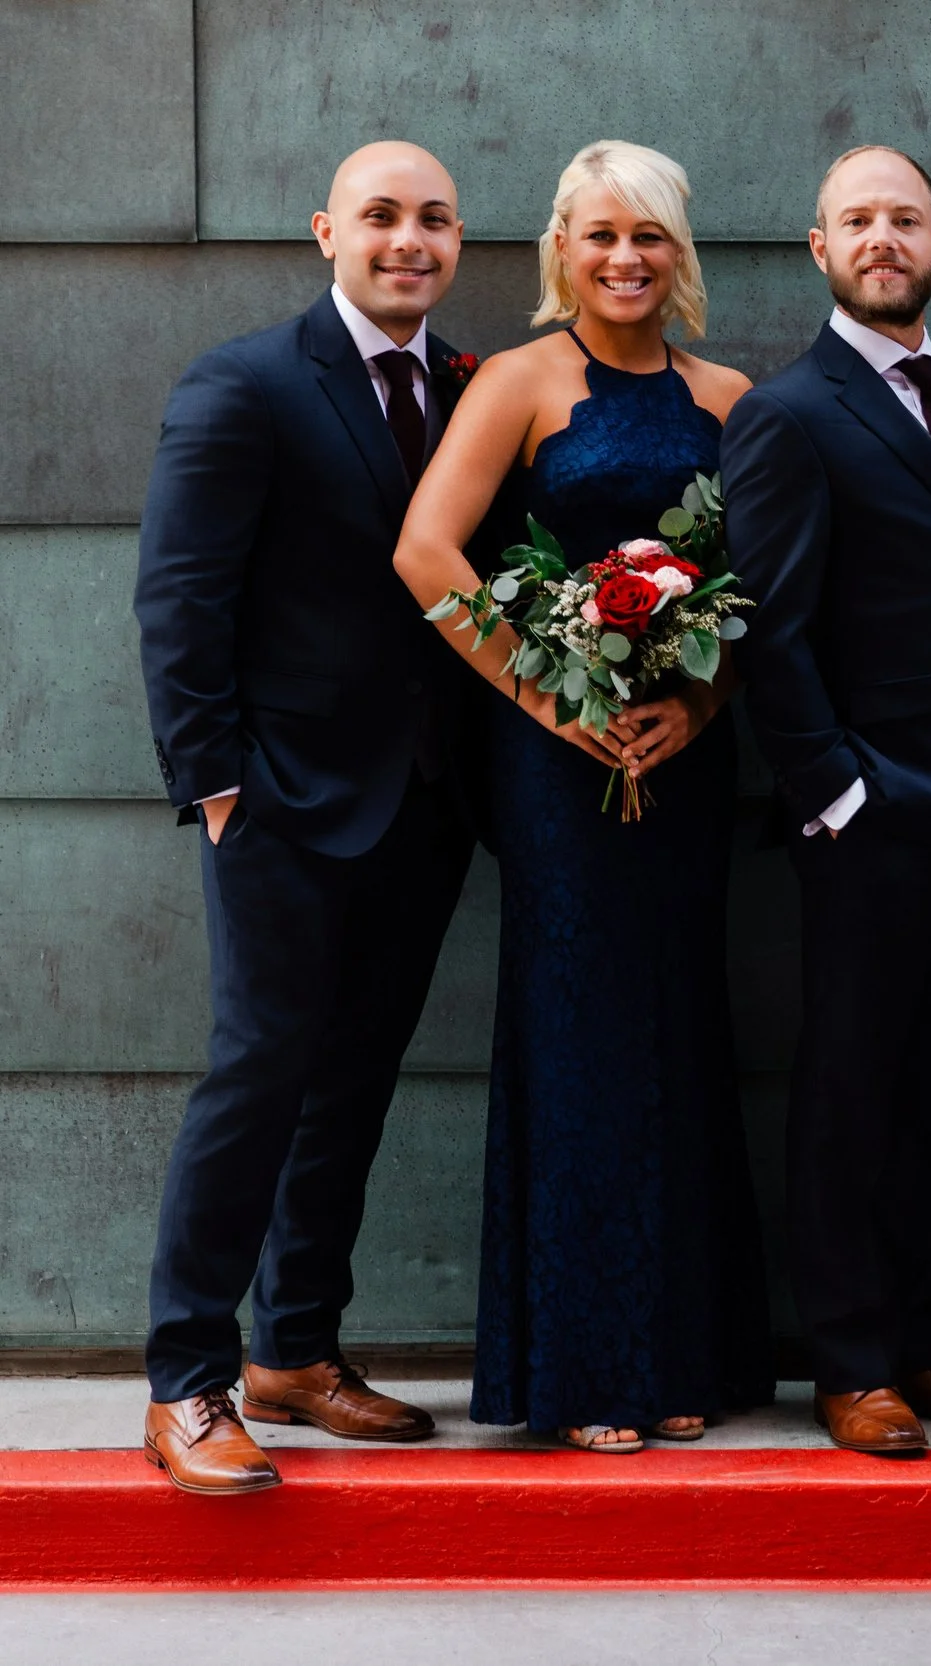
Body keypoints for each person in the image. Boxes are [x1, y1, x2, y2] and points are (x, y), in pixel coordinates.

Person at [393, 140, 772, 1454]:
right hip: (554, 768)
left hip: (684, 757)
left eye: (651, 237)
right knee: (579, 1036)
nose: (627, 259)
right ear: (564, 245)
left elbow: (753, 592)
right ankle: (587, 1363)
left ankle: (685, 1351)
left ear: (681, 253)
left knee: (677, 1023)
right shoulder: (517, 382)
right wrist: (550, 699)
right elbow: (427, 552)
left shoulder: (728, 396)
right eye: (603, 234)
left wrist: (698, 704)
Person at [133, 142, 478, 1494]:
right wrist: (216, 782)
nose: (410, 239)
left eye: (435, 220)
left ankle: (296, 1347)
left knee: (353, 1081)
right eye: (383, 216)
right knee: (259, 1072)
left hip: (429, 802)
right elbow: (179, 597)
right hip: (278, 801)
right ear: (325, 229)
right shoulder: (245, 382)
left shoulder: (468, 388)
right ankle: (185, 1375)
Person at [719, 145, 931, 1455]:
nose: (882, 238)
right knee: (851, 1086)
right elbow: (771, 632)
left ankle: (922, 1338)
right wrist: (837, 795)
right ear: (819, 248)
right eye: (856, 219)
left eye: (904, 218)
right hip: (870, 814)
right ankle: (852, 1360)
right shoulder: (789, 414)